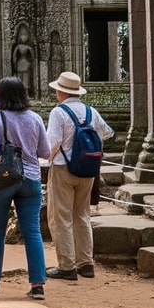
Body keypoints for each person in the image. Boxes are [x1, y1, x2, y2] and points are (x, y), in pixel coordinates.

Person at [0, 76, 50, 300]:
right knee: (32, 232)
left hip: (3, 179)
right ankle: (38, 284)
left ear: (0, 97)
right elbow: (45, 152)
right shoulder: (35, 118)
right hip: (31, 178)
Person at [43, 71, 113, 280]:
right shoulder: (91, 111)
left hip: (63, 167)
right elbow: (107, 132)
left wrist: (47, 159)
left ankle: (66, 265)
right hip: (88, 168)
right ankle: (86, 262)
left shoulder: (59, 112)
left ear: (61, 91)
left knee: (60, 217)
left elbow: (52, 142)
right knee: (82, 215)